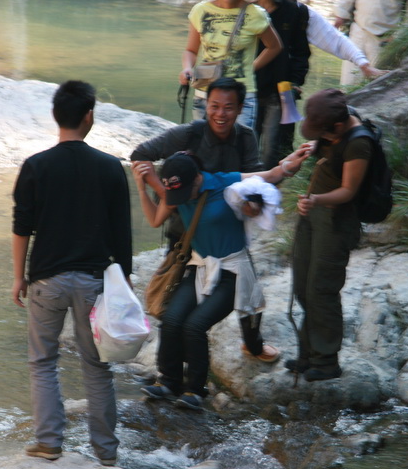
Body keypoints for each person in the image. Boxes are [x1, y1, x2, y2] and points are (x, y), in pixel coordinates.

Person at [12, 80, 132, 466]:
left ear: (55, 116)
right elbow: (122, 235)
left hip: (47, 279)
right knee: (97, 366)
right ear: (89, 116)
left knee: (43, 361)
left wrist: (19, 277)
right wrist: (124, 285)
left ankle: (48, 442)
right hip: (94, 282)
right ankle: (107, 453)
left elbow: (21, 228)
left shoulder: (35, 166)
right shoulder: (111, 167)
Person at [133, 149, 309, 410]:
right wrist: (140, 186)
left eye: (185, 192)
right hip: (199, 267)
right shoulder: (177, 189)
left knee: (194, 326)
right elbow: (155, 219)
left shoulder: (225, 181)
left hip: (232, 272)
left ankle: (195, 389)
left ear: (197, 178)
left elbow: (270, 175)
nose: (181, 199)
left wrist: (291, 162)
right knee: (171, 320)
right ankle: (168, 380)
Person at [131, 77, 280, 363]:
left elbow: (258, 179)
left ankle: (253, 344)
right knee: (175, 296)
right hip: (183, 231)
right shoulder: (189, 134)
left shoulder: (245, 136)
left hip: (225, 225)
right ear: (206, 105)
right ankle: (173, 366)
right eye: (214, 106)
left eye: (228, 108)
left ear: (239, 109)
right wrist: (165, 193)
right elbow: (141, 154)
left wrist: (253, 205)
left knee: (245, 283)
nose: (220, 114)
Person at [285, 88, 371, 381]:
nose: (317, 136)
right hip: (314, 216)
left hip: (335, 221)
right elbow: (322, 145)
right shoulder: (334, 126)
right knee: (303, 286)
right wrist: (310, 147)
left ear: (336, 126)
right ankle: (308, 353)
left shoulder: (359, 144)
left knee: (322, 289)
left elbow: (348, 190)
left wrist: (317, 200)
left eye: (321, 132)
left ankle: (326, 361)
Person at [181, 0, 282, 129]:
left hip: (241, 96)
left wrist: (251, 68)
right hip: (205, 94)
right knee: (204, 146)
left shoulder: (255, 14)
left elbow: (274, 47)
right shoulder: (200, 10)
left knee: (238, 146)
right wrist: (187, 68)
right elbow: (191, 51)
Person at [254, 0, 311, 170]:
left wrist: (295, 81)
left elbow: (301, 51)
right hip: (248, 90)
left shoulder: (295, 10)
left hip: (280, 91)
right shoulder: (243, 8)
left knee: (272, 149)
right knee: (247, 144)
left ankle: (266, 191)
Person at [333, 0, 408, 85]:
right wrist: (340, 16)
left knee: (376, 84)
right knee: (348, 82)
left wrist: (396, 37)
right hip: (358, 32)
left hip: (384, 42)